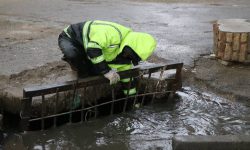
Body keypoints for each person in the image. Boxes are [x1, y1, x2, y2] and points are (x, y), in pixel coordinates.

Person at [58, 20, 156, 96]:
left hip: (89, 47)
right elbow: (93, 49)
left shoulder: (125, 57)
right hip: (72, 37)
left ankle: (84, 60)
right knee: (75, 58)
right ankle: (74, 61)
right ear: (129, 45)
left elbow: (126, 78)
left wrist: (133, 99)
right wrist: (106, 71)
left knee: (95, 71)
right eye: (129, 53)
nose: (127, 57)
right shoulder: (113, 34)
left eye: (132, 57)